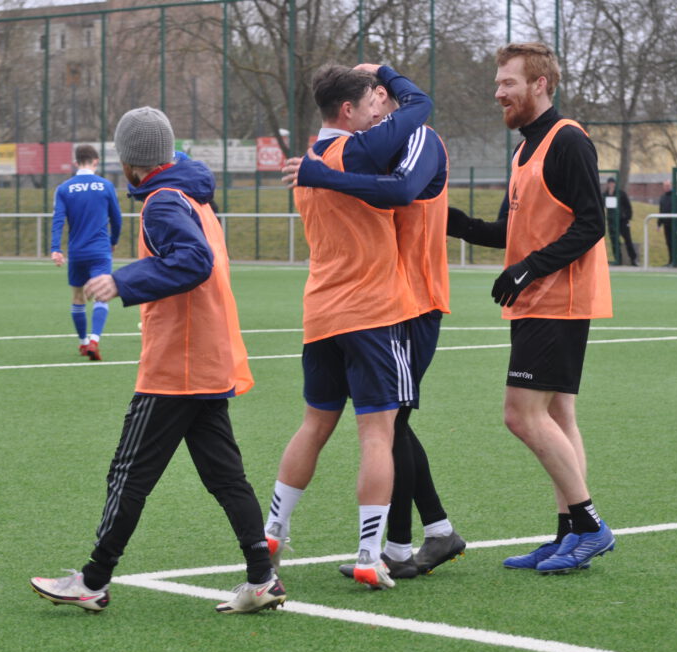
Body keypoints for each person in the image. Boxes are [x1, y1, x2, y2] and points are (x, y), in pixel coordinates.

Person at [30, 106, 284, 615]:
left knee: (129, 474)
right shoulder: (189, 191)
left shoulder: (163, 201)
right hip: (207, 357)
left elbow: (193, 261)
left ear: (130, 162)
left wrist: (123, 280)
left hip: (177, 366)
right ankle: (262, 578)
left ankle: (93, 580)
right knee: (226, 477)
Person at [281, 71, 466, 580]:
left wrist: (322, 175)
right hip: (385, 299)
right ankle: (420, 539)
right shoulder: (366, 143)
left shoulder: (418, 136)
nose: (378, 106)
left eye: (382, 94)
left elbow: (402, 191)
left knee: (390, 422)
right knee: (392, 421)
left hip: (413, 298)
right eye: (370, 97)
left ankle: (407, 545)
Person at [446, 42, 615, 574]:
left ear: (540, 84)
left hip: (559, 299)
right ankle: (570, 535)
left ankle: (590, 526)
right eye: (497, 83)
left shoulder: (568, 140)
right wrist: (446, 219)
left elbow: (592, 224)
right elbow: (507, 232)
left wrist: (529, 268)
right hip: (538, 299)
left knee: (520, 415)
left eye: (508, 83)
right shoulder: (524, 151)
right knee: (558, 417)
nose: (498, 92)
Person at [51, 144, 123, 360]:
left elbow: (58, 220)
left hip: (77, 252)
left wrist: (56, 249)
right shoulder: (106, 186)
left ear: (75, 163)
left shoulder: (64, 189)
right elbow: (116, 219)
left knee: (77, 297)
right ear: (96, 161)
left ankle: (83, 342)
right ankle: (94, 340)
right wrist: (113, 241)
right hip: (100, 250)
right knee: (102, 295)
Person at [604, 177, 637, 266]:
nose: (611, 185)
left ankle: (633, 259)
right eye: (609, 183)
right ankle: (618, 259)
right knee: (614, 241)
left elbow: (628, 206)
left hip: (622, 221)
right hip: (612, 221)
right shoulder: (605, 194)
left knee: (628, 240)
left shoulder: (621, 194)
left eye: (612, 183)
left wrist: (627, 218)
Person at [657, 180, 677, 267]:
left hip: (674, 223)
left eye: (668, 186)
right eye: (665, 186)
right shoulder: (663, 197)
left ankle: (675, 261)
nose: (667, 187)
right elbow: (661, 210)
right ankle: (670, 260)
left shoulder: (675, 196)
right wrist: (659, 223)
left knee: (674, 242)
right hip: (666, 223)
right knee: (668, 242)